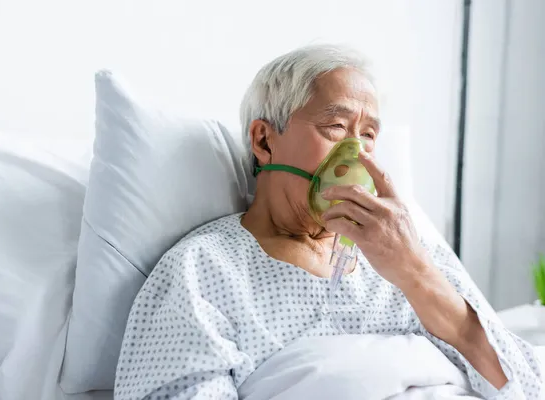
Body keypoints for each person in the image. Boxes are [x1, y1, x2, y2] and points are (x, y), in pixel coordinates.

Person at [114, 44, 543, 399]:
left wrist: (414, 273)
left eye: (369, 135)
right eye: (336, 126)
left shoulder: (415, 257)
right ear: (264, 141)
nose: (355, 153)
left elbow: (524, 385)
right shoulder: (203, 271)